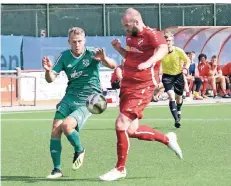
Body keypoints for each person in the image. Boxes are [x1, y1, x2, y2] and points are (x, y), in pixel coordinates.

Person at [99, 8, 183, 182]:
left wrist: (149, 62)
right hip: (127, 86)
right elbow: (131, 56)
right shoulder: (131, 37)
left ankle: (120, 169)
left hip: (143, 86)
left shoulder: (153, 34)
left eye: (127, 26)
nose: (125, 30)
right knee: (131, 130)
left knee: (121, 123)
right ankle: (167, 139)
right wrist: (119, 48)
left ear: (136, 22)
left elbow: (162, 49)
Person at [42, 27, 116, 179]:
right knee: (56, 129)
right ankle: (57, 170)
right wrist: (48, 70)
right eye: (74, 41)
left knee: (66, 126)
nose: (77, 44)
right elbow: (50, 79)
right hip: (69, 98)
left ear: (85, 41)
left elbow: (113, 65)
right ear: (69, 41)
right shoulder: (63, 57)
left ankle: (80, 149)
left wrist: (104, 59)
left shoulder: (93, 53)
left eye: (80, 41)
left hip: (89, 99)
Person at [161, 31, 190, 128]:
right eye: (165, 40)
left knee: (179, 98)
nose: (167, 42)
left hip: (178, 75)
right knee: (171, 95)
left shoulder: (178, 51)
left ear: (172, 41)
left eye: (169, 40)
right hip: (167, 76)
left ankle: (179, 110)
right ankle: (176, 120)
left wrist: (185, 69)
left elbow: (187, 60)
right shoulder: (160, 52)